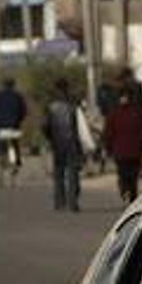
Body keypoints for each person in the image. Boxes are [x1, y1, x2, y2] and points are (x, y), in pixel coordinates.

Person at [43, 78, 89, 212]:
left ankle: (59, 202)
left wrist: (50, 138)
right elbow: (80, 127)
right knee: (73, 173)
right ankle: (73, 202)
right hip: (72, 143)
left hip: (57, 143)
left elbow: (45, 126)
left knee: (58, 174)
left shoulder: (51, 106)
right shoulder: (73, 105)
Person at [104, 74, 142, 202]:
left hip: (120, 151)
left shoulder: (114, 113)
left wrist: (108, 148)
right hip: (135, 150)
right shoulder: (138, 112)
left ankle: (125, 190)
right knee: (133, 176)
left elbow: (109, 133)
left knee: (123, 174)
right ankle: (132, 196)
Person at [0, 76, 27, 184]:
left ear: (4, 85)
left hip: (1, 126)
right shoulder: (18, 96)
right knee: (14, 145)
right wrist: (18, 120)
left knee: (1, 146)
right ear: (14, 85)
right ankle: (15, 164)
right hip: (14, 125)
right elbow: (24, 111)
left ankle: (1, 167)